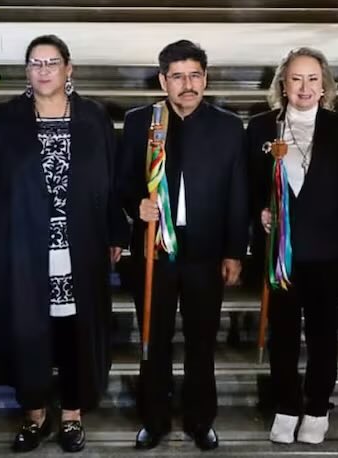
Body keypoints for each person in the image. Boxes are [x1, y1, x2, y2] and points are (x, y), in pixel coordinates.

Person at [0, 35, 126, 453]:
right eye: (35, 63)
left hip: (80, 244)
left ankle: (72, 415)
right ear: (26, 72)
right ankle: (34, 416)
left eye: (51, 62)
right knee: (28, 331)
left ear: (69, 68)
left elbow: (112, 179)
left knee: (74, 331)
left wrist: (117, 231)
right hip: (23, 247)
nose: (43, 71)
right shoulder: (5, 118)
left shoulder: (93, 117)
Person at [118, 40, 248, 451]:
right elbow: (122, 181)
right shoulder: (141, 122)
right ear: (163, 81)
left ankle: (200, 419)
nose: (187, 85)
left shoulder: (228, 126)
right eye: (177, 77)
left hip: (206, 252)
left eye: (194, 76)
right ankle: (153, 419)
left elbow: (238, 193)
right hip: (154, 250)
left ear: (205, 79)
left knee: (201, 341)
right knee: (153, 340)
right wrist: (135, 205)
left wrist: (234, 251)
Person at [246, 49, 338, 445]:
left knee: (322, 334)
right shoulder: (262, 127)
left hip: (327, 252)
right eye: (296, 79)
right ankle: (285, 405)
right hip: (280, 254)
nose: (304, 87)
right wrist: (259, 212)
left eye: (313, 79)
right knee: (282, 333)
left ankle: (317, 407)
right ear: (283, 84)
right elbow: (249, 185)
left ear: (324, 84)